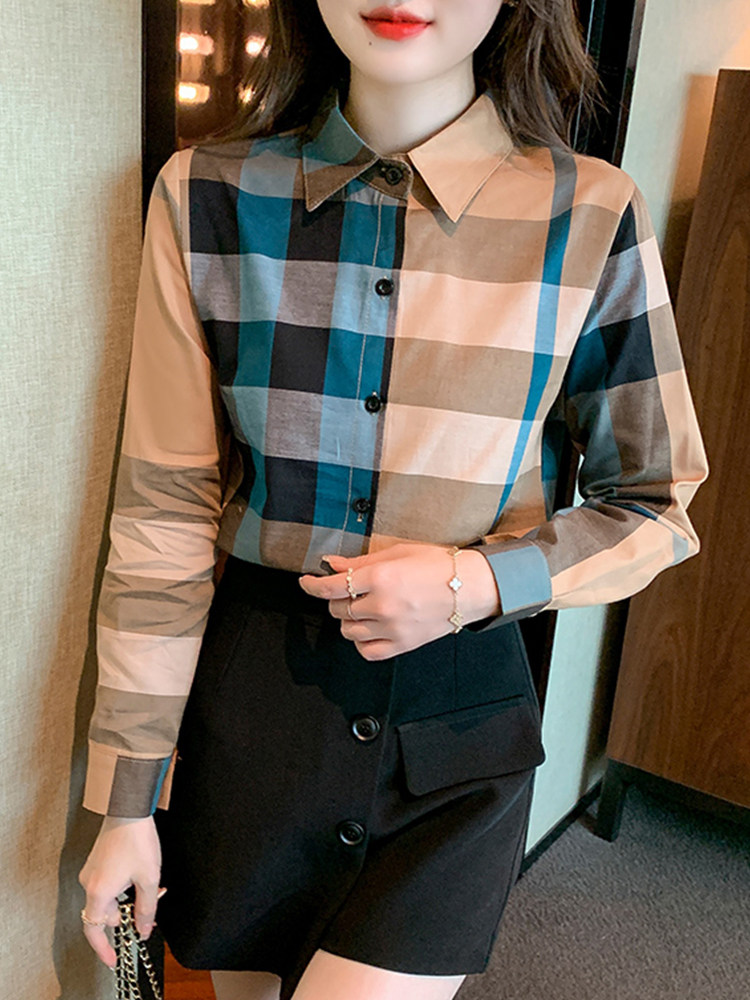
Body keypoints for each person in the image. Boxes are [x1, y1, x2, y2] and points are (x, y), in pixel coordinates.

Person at [78, 2, 708, 999]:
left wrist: (474, 582)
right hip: (256, 713)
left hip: (456, 718)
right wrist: (126, 801)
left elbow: (656, 501)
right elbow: (165, 513)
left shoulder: (590, 212)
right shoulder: (205, 194)